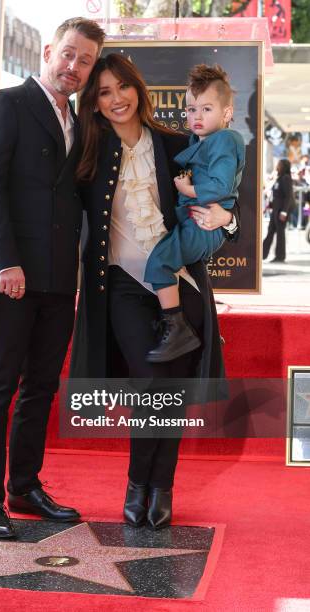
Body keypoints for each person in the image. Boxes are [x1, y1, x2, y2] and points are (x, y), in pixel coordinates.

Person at [70, 54, 239, 530]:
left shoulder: (173, 144)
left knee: (173, 393)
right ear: (95, 103)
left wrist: (228, 219)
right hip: (122, 286)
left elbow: (222, 195)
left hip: (182, 287)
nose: (116, 98)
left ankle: (161, 488)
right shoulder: (87, 152)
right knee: (149, 383)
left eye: (122, 87)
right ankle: (138, 484)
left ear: (137, 89)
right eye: (104, 92)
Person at [0, 17, 105, 539]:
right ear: (49, 51)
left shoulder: (81, 119)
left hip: (57, 278)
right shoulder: (7, 103)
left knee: (41, 387)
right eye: (69, 54)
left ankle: (23, 486)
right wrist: (5, 262)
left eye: (85, 60)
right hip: (9, 274)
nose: (74, 66)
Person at [144, 64, 245, 363]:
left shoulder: (226, 140)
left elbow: (221, 185)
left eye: (206, 109)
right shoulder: (195, 141)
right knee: (165, 264)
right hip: (193, 222)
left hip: (204, 224)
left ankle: (179, 329)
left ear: (226, 113)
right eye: (190, 109)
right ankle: (187, 324)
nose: (196, 117)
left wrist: (189, 191)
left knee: (160, 263)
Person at [263, 159, 293, 263]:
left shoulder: (286, 178)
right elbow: (277, 195)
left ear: (284, 166)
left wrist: (284, 212)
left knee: (280, 233)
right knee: (270, 231)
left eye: (279, 164)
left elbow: (288, 196)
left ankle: (280, 256)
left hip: (281, 211)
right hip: (275, 209)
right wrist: (269, 205)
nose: (277, 166)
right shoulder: (279, 178)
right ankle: (262, 254)